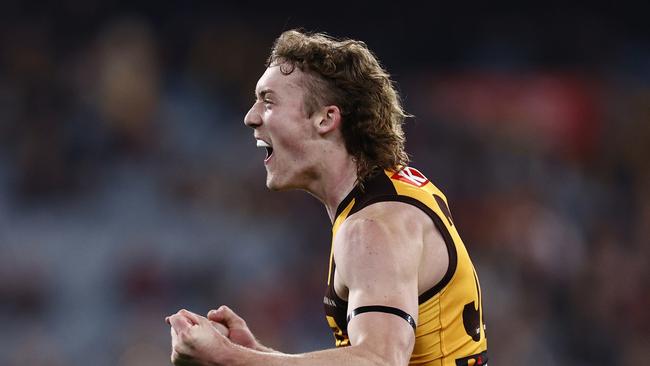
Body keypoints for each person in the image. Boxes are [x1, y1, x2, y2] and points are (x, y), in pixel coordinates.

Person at [165, 29, 488, 366]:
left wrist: (228, 357)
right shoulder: (389, 195)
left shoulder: (372, 228)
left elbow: (380, 361)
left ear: (326, 118)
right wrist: (257, 355)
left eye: (269, 100)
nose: (251, 116)